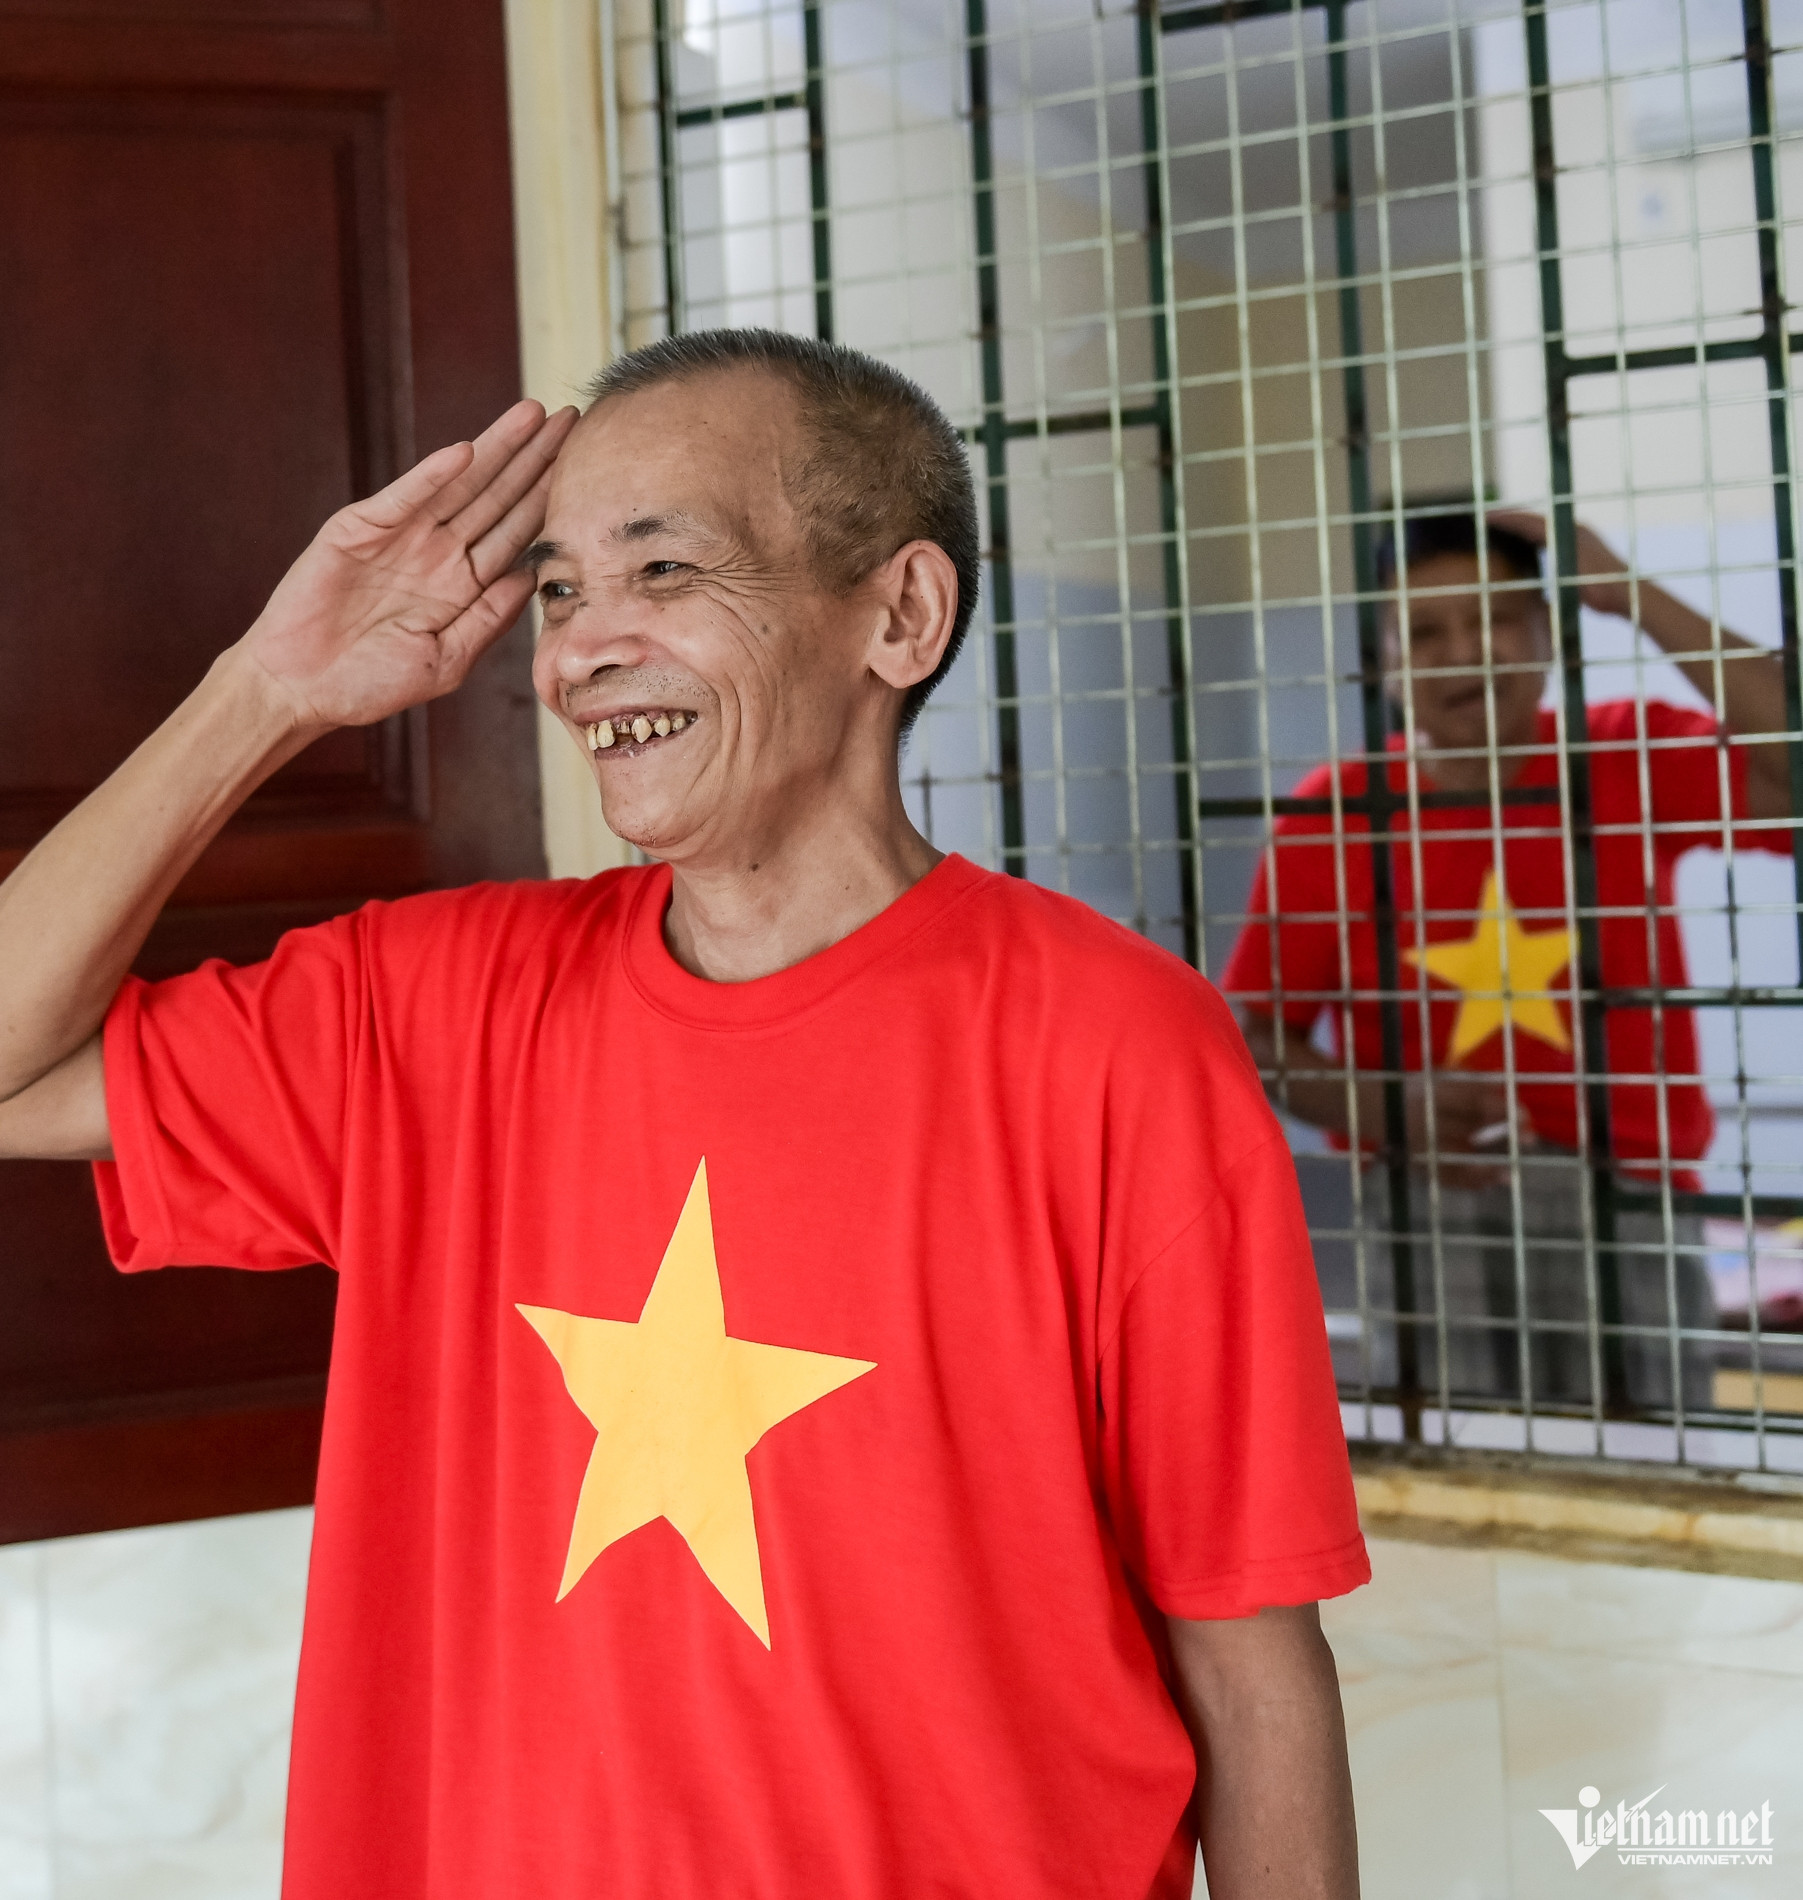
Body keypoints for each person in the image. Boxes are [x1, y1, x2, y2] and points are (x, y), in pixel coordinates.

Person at [0, 331, 1367, 1900]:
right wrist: (266, 692)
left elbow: (1247, 1661)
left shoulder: (1114, 1047)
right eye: (559, 590)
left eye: (662, 570)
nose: (581, 650)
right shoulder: (430, 1010)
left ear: (899, 616)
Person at [1220, 506, 1794, 1414]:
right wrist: (1389, 1108)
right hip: (1422, 1197)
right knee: (1454, 1474)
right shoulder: (1337, 812)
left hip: (1627, 1195)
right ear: (1382, 663)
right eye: (1423, 632)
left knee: (1649, 1471)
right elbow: (1251, 1035)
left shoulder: (1620, 755)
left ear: (1545, 633)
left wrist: (1631, 595)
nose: (1463, 652)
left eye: (1491, 617)